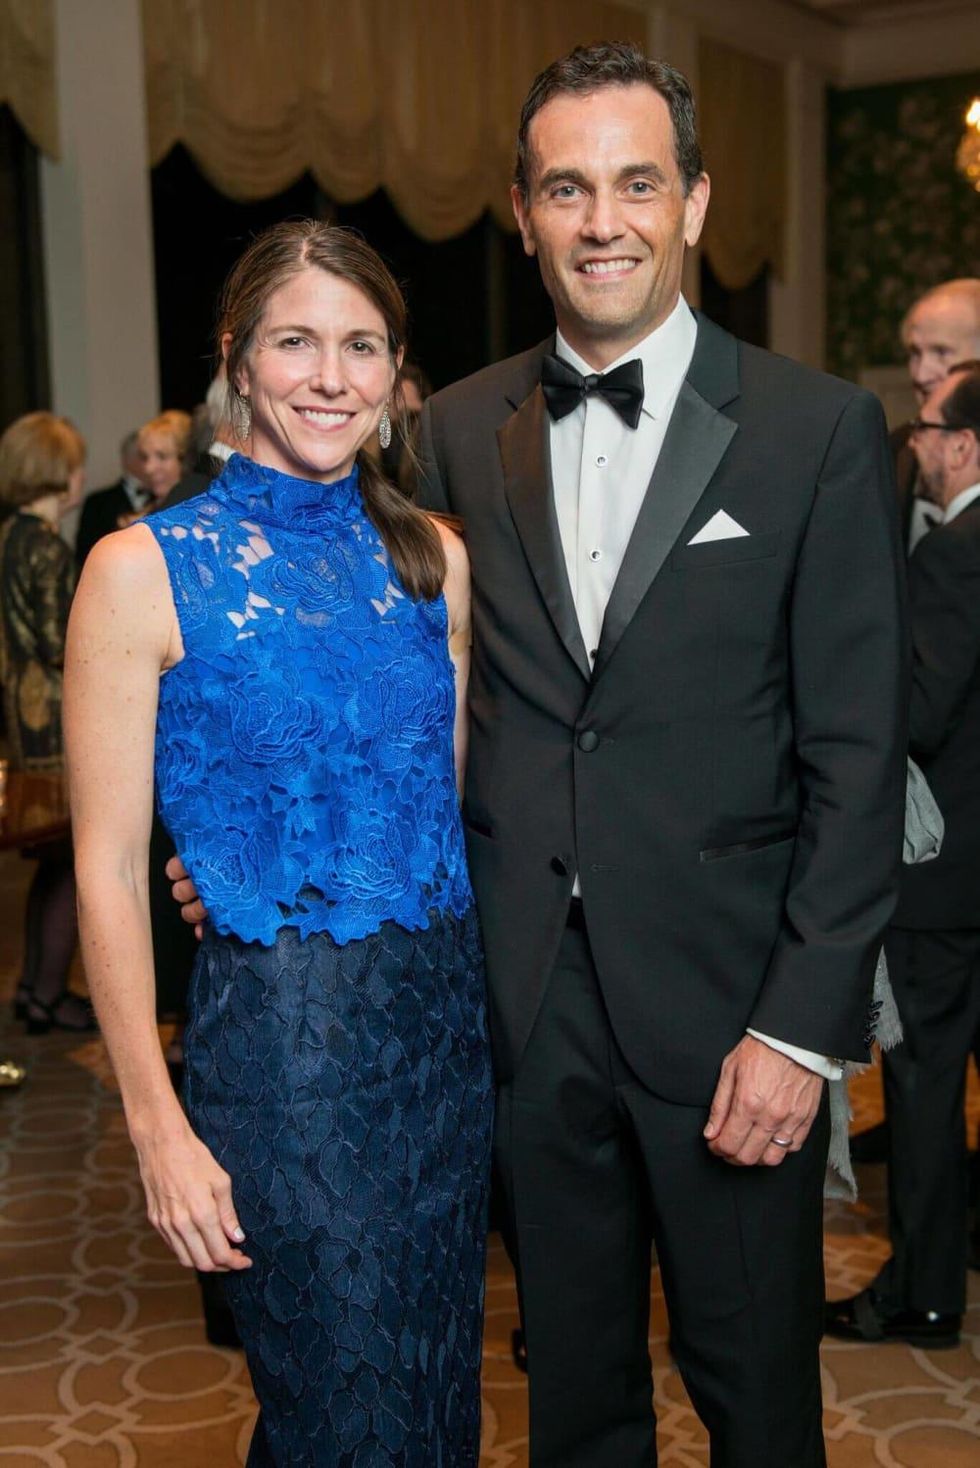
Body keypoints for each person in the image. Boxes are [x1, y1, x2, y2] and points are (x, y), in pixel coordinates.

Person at [169, 44, 908, 1468]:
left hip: (731, 1012)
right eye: (566, 188)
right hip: (511, 1017)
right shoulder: (449, 433)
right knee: (571, 1396)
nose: (601, 221)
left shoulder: (818, 433)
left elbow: (860, 759)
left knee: (759, 1397)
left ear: (695, 200)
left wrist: (801, 1032)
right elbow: (354, 686)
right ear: (520, 210)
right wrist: (242, 859)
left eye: (637, 183)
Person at [65, 221, 493, 1465]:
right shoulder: (139, 570)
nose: (329, 376)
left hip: (439, 1056)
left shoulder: (435, 563)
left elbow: (432, 816)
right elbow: (103, 863)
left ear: (395, 371)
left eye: (361, 346)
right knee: (340, 1420)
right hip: (286, 1068)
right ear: (236, 361)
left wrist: (262, 849)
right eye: (294, 341)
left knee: (427, 1416)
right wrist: (156, 1125)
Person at [826, 361, 980, 1349]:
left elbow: (920, 710)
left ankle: (922, 1291)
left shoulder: (956, 551)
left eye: (923, 427)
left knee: (922, 1087)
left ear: (963, 444)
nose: (911, 445)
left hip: (942, 874)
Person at [0, 412, 94, 1035]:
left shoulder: (8, 536)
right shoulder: (46, 546)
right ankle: (49, 993)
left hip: (19, 720)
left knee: (52, 863)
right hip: (54, 723)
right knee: (70, 862)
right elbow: (60, 641)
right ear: (60, 474)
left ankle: (35, 988)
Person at [75, 430, 150, 568]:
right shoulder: (97, 503)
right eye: (144, 456)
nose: (150, 464)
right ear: (126, 459)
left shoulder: (166, 499)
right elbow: (84, 553)